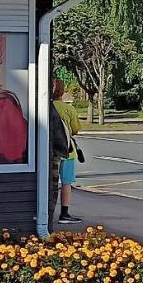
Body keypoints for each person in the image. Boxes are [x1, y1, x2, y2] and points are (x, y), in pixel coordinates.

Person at [52, 79, 82, 224]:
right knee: (66, 183)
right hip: (67, 151)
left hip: (49, 151)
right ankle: (64, 213)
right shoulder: (68, 109)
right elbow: (75, 129)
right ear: (62, 92)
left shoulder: (45, 107)